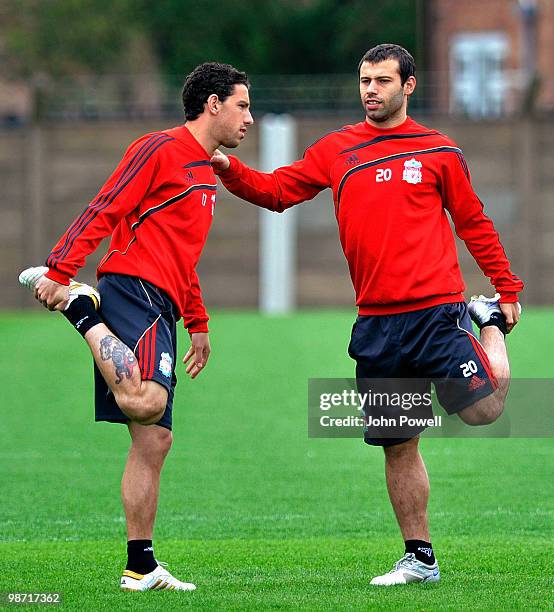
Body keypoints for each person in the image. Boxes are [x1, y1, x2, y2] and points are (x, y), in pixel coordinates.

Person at [210, 44, 523, 586]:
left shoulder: (438, 150)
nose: (370, 90)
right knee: (398, 444)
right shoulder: (337, 149)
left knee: (486, 410)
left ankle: (487, 321)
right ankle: (419, 558)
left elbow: (473, 221)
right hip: (377, 324)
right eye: (364, 80)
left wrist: (506, 289)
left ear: (408, 86)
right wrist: (229, 169)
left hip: (436, 312)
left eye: (381, 80)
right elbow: (280, 190)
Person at [19, 61, 254, 592]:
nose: (250, 118)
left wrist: (198, 322)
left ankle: (140, 567)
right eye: (242, 105)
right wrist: (61, 272)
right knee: (143, 403)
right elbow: (106, 206)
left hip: (164, 301)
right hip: (133, 288)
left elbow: (183, 255)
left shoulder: (204, 171)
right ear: (212, 104)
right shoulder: (158, 148)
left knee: (155, 440)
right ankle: (82, 310)